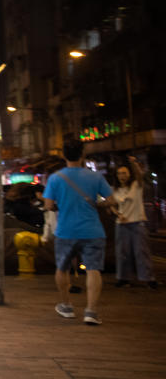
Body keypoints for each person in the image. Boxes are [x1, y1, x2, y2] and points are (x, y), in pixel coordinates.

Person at [43, 139, 118, 325]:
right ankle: (91, 311)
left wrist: (63, 205)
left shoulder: (55, 178)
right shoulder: (95, 177)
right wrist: (97, 204)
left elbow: (48, 205)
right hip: (92, 230)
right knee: (93, 270)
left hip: (66, 231)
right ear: (82, 154)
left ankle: (66, 306)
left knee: (62, 268)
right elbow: (112, 200)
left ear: (63, 155)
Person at [112, 156, 157, 289]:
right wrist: (118, 213)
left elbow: (139, 176)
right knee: (122, 253)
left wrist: (134, 164)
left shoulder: (136, 186)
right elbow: (111, 204)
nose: (122, 176)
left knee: (141, 252)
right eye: (119, 173)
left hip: (137, 222)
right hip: (121, 224)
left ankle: (149, 278)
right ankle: (123, 278)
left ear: (129, 174)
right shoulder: (115, 190)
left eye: (124, 173)